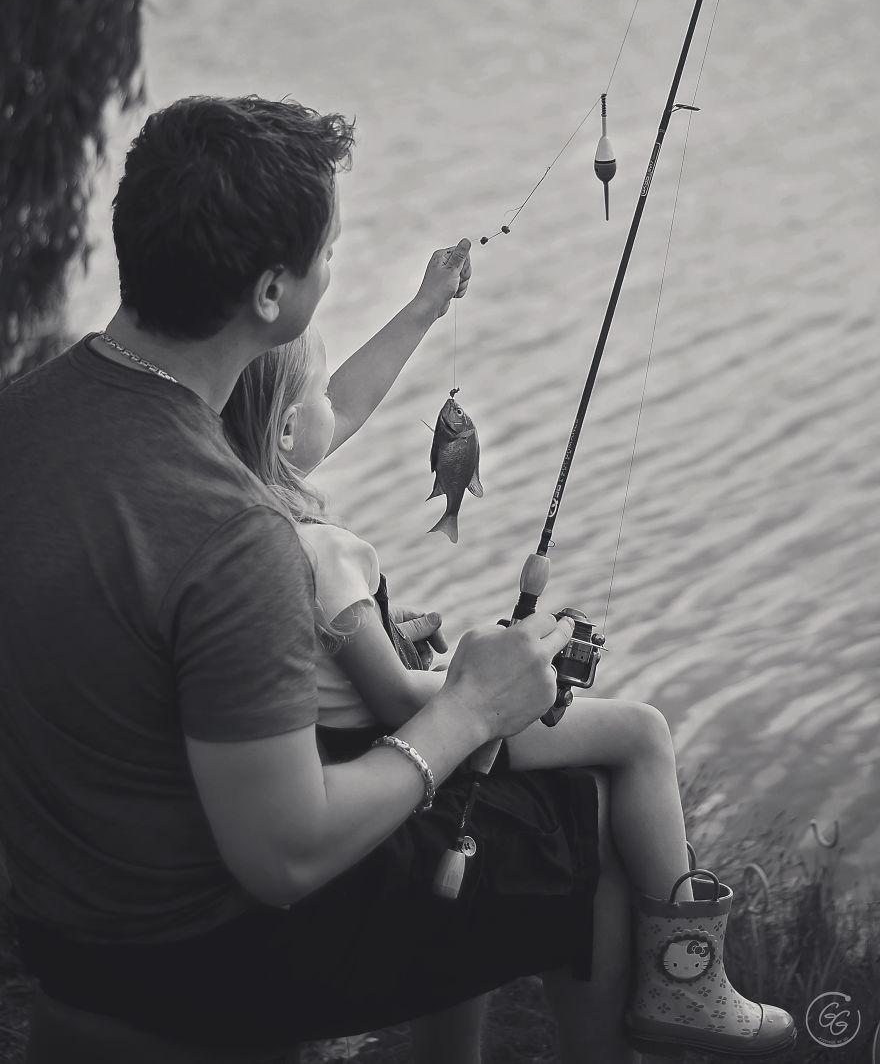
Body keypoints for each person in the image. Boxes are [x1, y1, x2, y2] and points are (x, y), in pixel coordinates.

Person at [0, 94, 633, 1064]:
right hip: (203, 953)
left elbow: (320, 413)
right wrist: (467, 707)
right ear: (269, 295)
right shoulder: (233, 531)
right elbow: (284, 856)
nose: (334, 269)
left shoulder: (27, 417)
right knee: (586, 832)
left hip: (58, 922)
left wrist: (423, 310)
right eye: (329, 252)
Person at [223, 322, 798, 1061]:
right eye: (322, 399)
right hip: (405, 747)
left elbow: (328, 664)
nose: (338, 410)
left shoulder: (247, 524)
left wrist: (429, 303)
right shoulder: (321, 549)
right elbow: (401, 701)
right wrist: (484, 682)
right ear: (292, 428)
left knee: (594, 755)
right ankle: (690, 978)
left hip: (354, 748)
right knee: (642, 732)